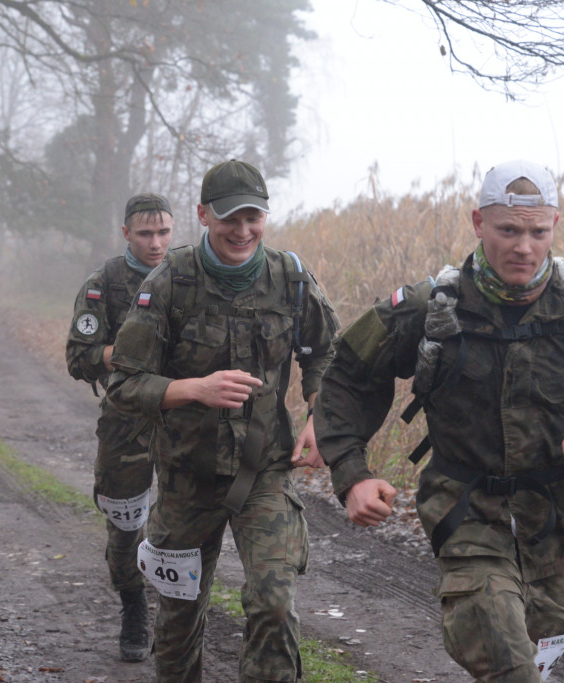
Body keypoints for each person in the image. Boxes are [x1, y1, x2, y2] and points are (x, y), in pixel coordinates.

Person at [315, 160, 564, 682]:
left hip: (552, 523)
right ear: (479, 223)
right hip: (466, 514)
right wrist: (352, 474)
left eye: (537, 232)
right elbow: (346, 376)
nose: (523, 247)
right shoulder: (430, 308)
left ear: (554, 227)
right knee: (510, 665)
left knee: (551, 634)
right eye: (508, 230)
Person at [106, 159, 339, 682]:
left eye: (253, 217)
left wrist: (318, 415)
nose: (242, 230)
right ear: (203, 215)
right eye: (229, 217)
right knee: (178, 622)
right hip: (188, 477)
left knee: (274, 606)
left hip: (265, 472)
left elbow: (327, 355)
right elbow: (123, 383)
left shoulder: (290, 277)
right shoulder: (169, 283)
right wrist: (194, 389)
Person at [66, 193, 174, 662]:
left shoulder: (187, 275)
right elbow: (79, 357)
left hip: (184, 420)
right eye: (146, 233)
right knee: (125, 524)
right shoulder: (104, 283)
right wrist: (124, 355)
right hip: (126, 423)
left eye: (164, 233)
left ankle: (179, 621)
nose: (156, 243)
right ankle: (133, 603)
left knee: (183, 526)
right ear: (126, 233)